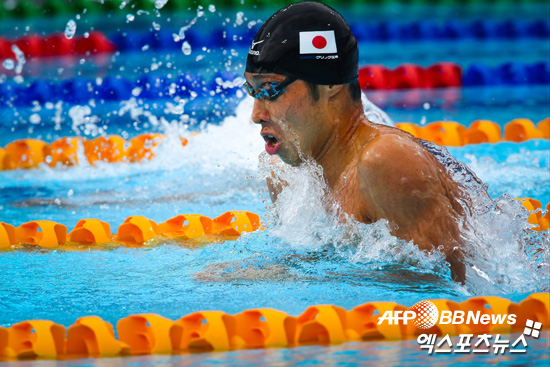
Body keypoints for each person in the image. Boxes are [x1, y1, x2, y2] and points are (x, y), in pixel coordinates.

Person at [243, 1, 469, 283]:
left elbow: (451, 291)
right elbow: (310, 259)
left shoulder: (385, 161)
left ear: (330, 84)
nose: (256, 115)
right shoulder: (283, 173)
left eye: (270, 90)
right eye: (251, 90)